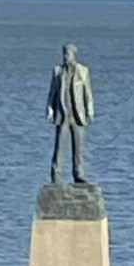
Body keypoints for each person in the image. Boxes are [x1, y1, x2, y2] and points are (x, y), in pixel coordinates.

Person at [46, 42, 94, 184]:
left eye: (67, 54)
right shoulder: (58, 71)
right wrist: (50, 109)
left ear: (73, 55)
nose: (65, 57)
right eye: (64, 54)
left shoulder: (83, 71)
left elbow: (87, 93)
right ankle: (56, 174)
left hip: (78, 115)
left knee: (78, 147)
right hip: (63, 114)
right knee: (60, 147)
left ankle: (78, 173)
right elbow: (52, 92)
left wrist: (90, 111)